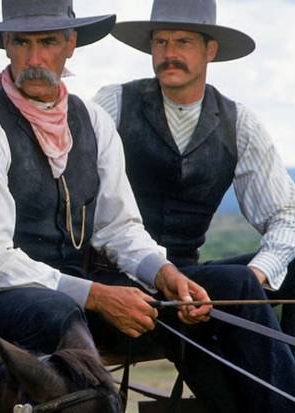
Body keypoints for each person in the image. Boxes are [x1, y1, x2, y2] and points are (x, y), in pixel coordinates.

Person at [0, 0, 209, 359]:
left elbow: (119, 227)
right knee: (60, 312)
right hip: (2, 300)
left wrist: (162, 272)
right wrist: (96, 296)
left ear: (71, 44)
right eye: (22, 43)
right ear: (6, 43)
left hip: (81, 295)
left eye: (47, 42)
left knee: (225, 289)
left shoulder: (93, 121)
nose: (34, 59)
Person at [90, 1, 295, 410]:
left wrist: (259, 273)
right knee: (236, 284)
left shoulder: (240, 123)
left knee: (268, 272)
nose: (169, 54)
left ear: (210, 50)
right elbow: (79, 197)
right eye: (161, 42)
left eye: (183, 42)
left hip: (190, 275)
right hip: (117, 279)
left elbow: (286, 216)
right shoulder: (113, 104)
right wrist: (242, 283)